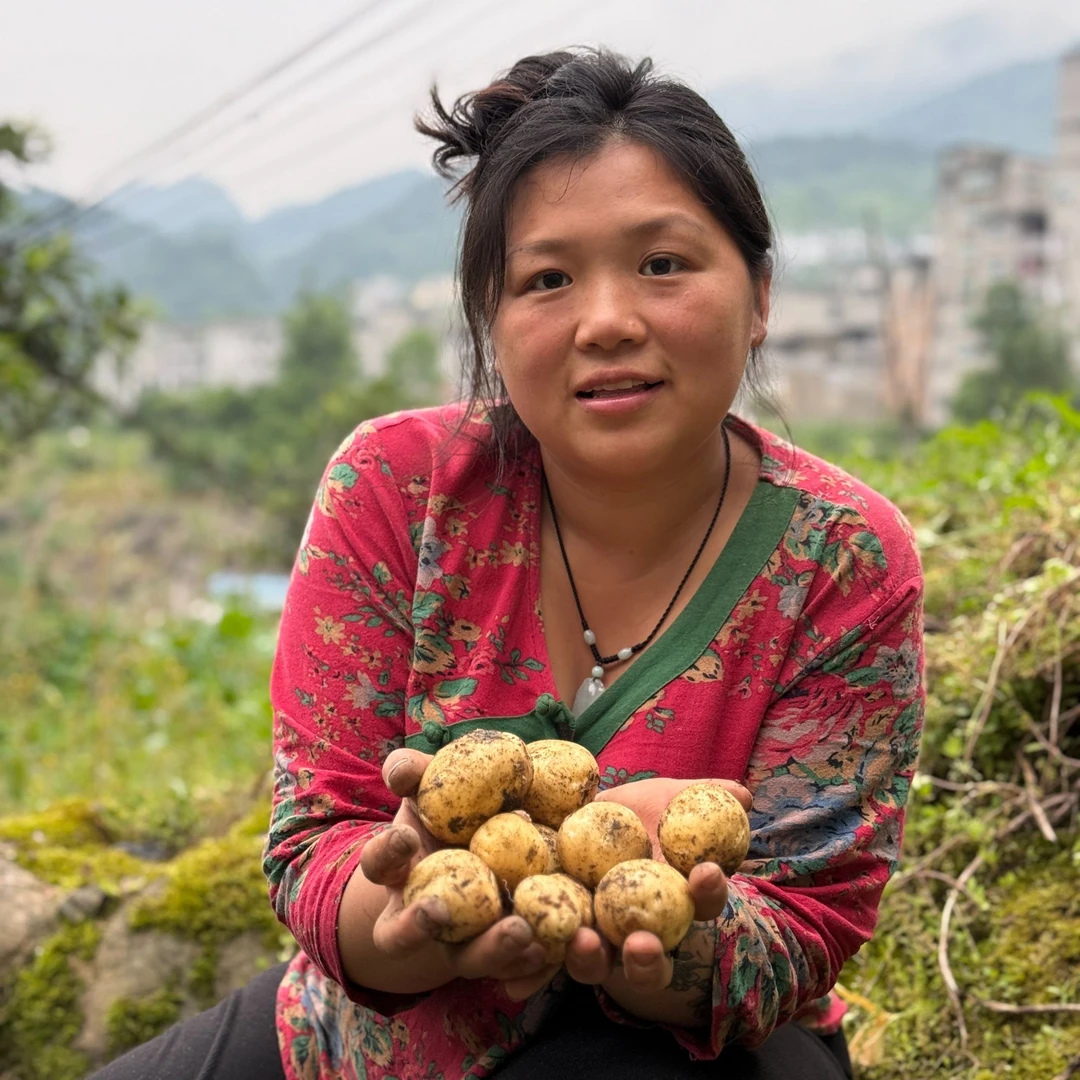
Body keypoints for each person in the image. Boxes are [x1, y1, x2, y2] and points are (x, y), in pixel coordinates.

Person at [89, 47, 924, 1080]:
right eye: (548, 279)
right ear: (493, 321)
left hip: (691, 1039)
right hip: (367, 1036)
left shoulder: (842, 559)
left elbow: (807, 915)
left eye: (663, 264)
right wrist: (398, 924)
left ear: (757, 295)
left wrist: (653, 943)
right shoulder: (393, 489)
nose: (608, 320)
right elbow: (320, 834)